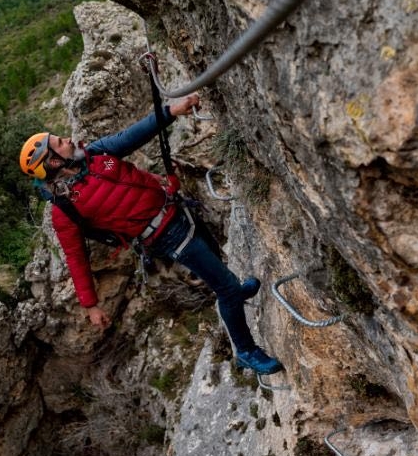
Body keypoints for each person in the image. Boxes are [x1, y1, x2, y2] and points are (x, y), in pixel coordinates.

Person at [18, 94, 284, 375]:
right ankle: (245, 350)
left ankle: (233, 292)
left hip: (177, 210)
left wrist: (170, 111)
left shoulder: (97, 159)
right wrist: (91, 305)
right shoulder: (66, 208)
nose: (67, 139)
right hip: (165, 236)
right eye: (59, 143)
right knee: (226, 287)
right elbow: (75, 257)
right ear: (53, 163)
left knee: (218, 263)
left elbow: (128, 142)